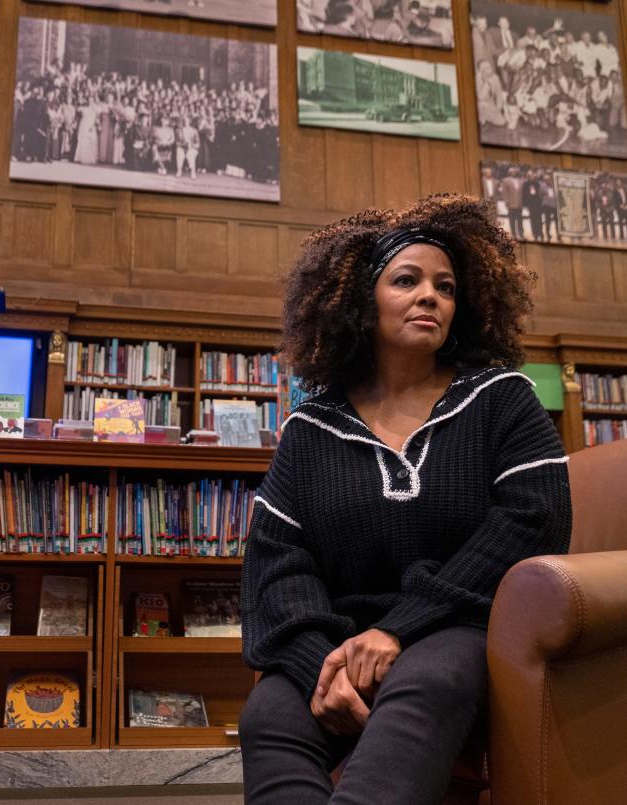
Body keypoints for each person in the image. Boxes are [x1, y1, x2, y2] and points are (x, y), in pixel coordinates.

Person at [239, 195, 572, 804]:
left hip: (457, 626)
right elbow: (277, 561)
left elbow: (533, 521)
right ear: (358, 303)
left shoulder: (502, 398)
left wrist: (398, 630)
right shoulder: (310, 427)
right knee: (270, 714)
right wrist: (323, 664)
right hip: (340, 636)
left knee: (426, 683)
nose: (430, 296)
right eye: (406, 280)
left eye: (445, 287)